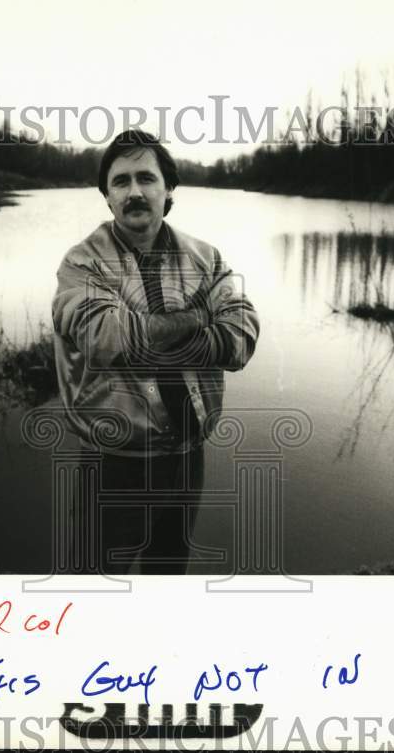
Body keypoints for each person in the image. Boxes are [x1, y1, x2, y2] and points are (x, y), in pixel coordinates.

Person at [50, 129, 260, 574]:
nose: (134, 192)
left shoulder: (206, 257)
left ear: (169, 190)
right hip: (115, 462)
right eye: (120, 181)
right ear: (106, 197)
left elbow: (241, 338)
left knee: (168, 576)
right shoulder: (82, 263)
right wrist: (200, 317)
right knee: (96, 583)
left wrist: (147, 335)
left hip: (187, 454)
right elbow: (105, 339)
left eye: (146, 178)